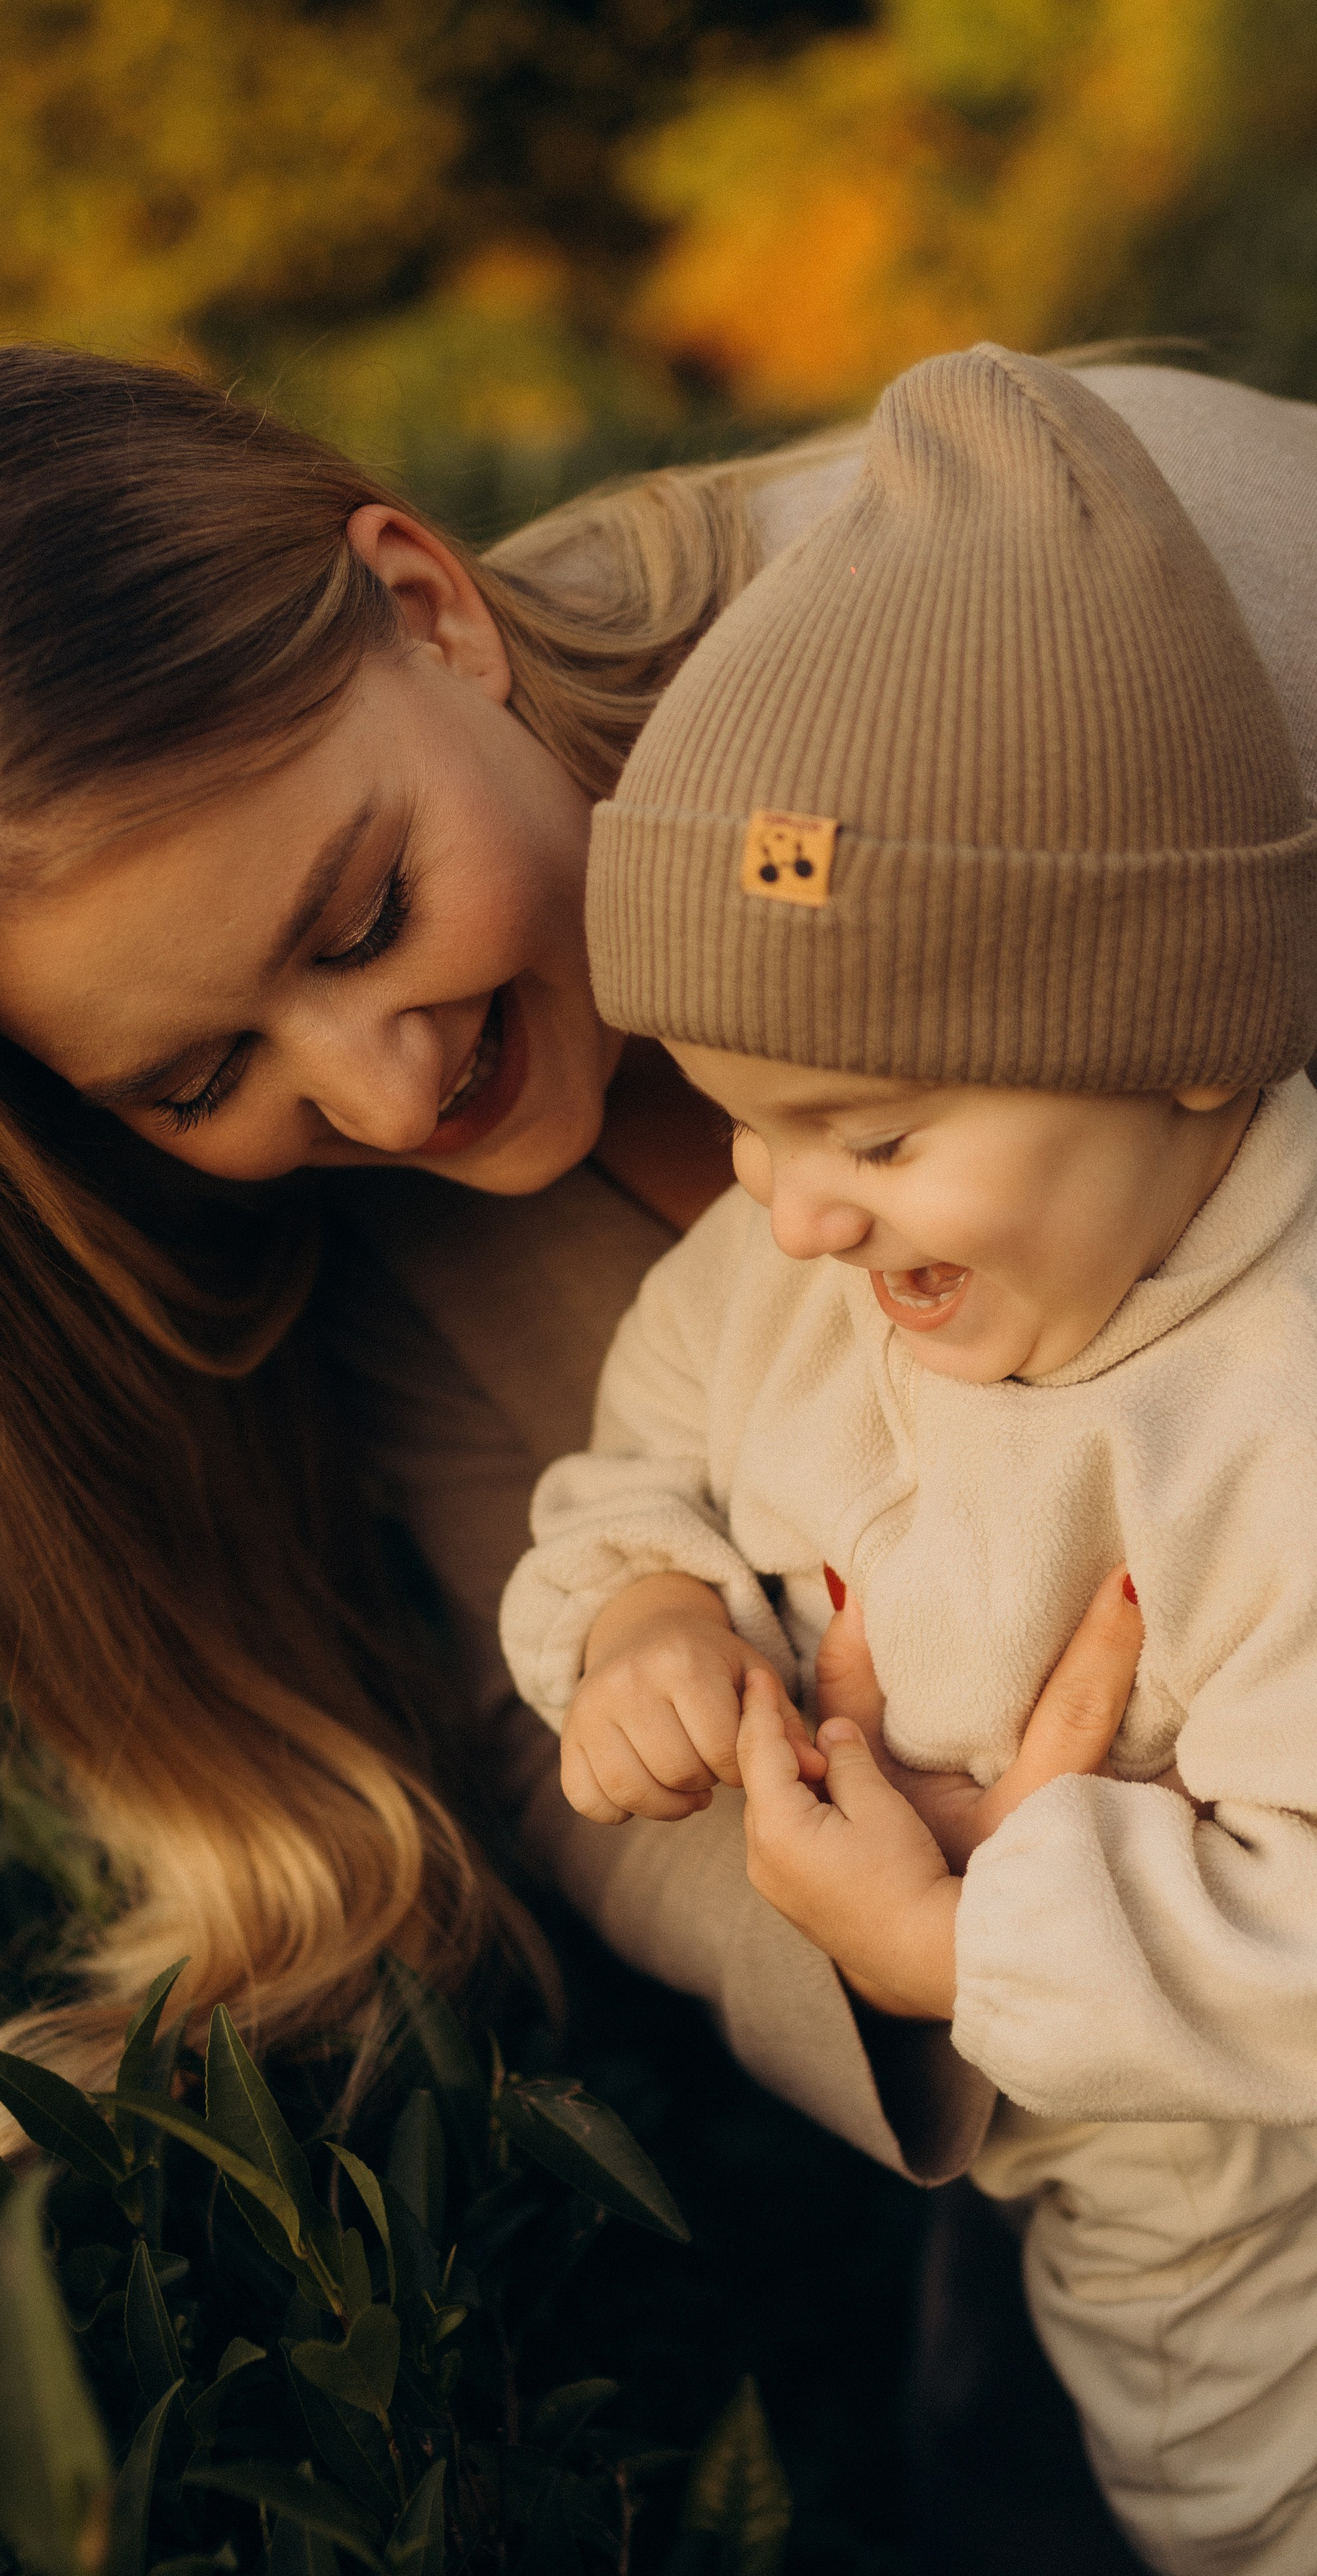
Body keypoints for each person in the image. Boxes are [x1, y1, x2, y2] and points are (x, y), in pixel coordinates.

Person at [0, 339, 1317, 2204]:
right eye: (199, 1077)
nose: (382, 1092)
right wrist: (923, 1895)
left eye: (362, 914)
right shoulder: (366, 1271)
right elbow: (552, 1699)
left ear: (428, 609)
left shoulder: (1112, 626)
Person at [500, 343, 1317, 2574]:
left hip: (1270, 2261)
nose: (793, 1211)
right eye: (745, 1121)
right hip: (1099, 2253)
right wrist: (641, 1608)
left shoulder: (1281, 1410)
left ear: (1180, 1047)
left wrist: (972, 1944)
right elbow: (639, 1453)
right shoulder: (800, 1272)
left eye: (870, 1134)